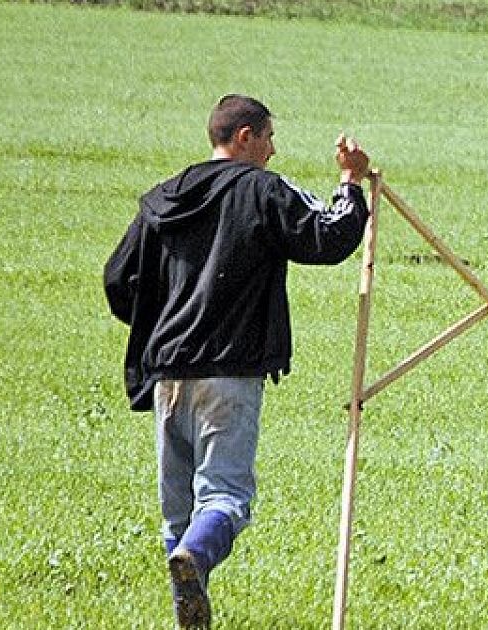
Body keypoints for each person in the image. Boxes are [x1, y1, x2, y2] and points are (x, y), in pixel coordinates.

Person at [104, 94, 371, 628]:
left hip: (165, 376)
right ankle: (194, 563)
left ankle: (187, 598)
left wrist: (166, 323)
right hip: (229, 375)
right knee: (226, 498)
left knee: (178, 511)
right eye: (268, 138)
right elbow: (326, 236)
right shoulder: (262, 189)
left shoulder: (163, 197)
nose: (273, 151)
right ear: (244, 137)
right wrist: (351, 182)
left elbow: (118, 281)